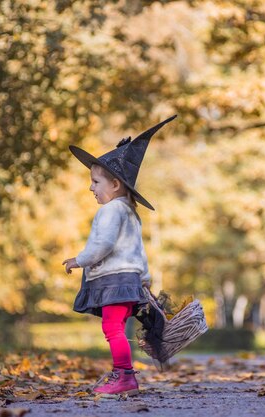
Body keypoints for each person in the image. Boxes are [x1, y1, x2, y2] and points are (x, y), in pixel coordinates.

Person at [62, 115, 176, 396]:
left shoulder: (111, 211)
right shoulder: (130, 213)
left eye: (96, 181)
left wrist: (80, 259)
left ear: (115, 185)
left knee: (112, 328)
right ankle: (123, 374)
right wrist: (144, 277)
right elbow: (137, 250)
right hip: (129, 281)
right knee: (117, 327)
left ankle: (124, 376)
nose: (91, 188)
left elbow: (103, 243)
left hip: (114, 282)